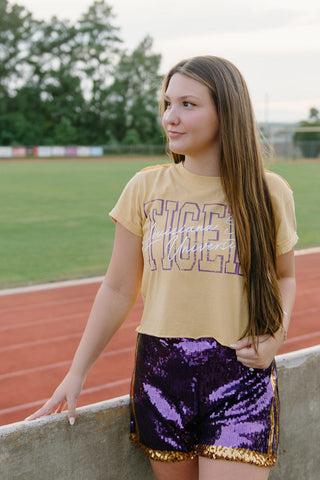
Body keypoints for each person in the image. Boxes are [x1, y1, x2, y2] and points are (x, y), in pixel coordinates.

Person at [26, 56, 298, 480]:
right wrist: (76, 373)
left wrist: (276, 334)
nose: (171, 117)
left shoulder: (269, 192)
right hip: (161, 373)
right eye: (168, 104)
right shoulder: (145, 188)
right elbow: (117, 289)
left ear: (227, 111)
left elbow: (285, 276)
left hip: (239, 375)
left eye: (188, 104)